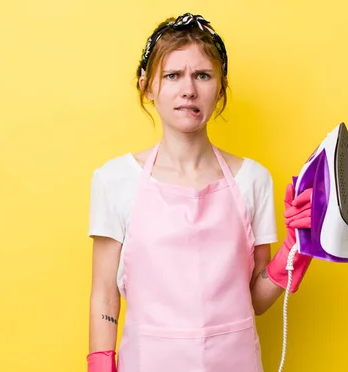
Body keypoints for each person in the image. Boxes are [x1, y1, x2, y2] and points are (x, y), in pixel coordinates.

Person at [86, 12, 314, 372]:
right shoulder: (114, 179)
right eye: (173, 75)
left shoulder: (254, 179)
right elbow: (104, 293)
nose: (188, 89)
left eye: (203, 75)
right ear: (147, 86)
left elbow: (254, 299)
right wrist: (100, 365)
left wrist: (297, 249)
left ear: (220, 88)